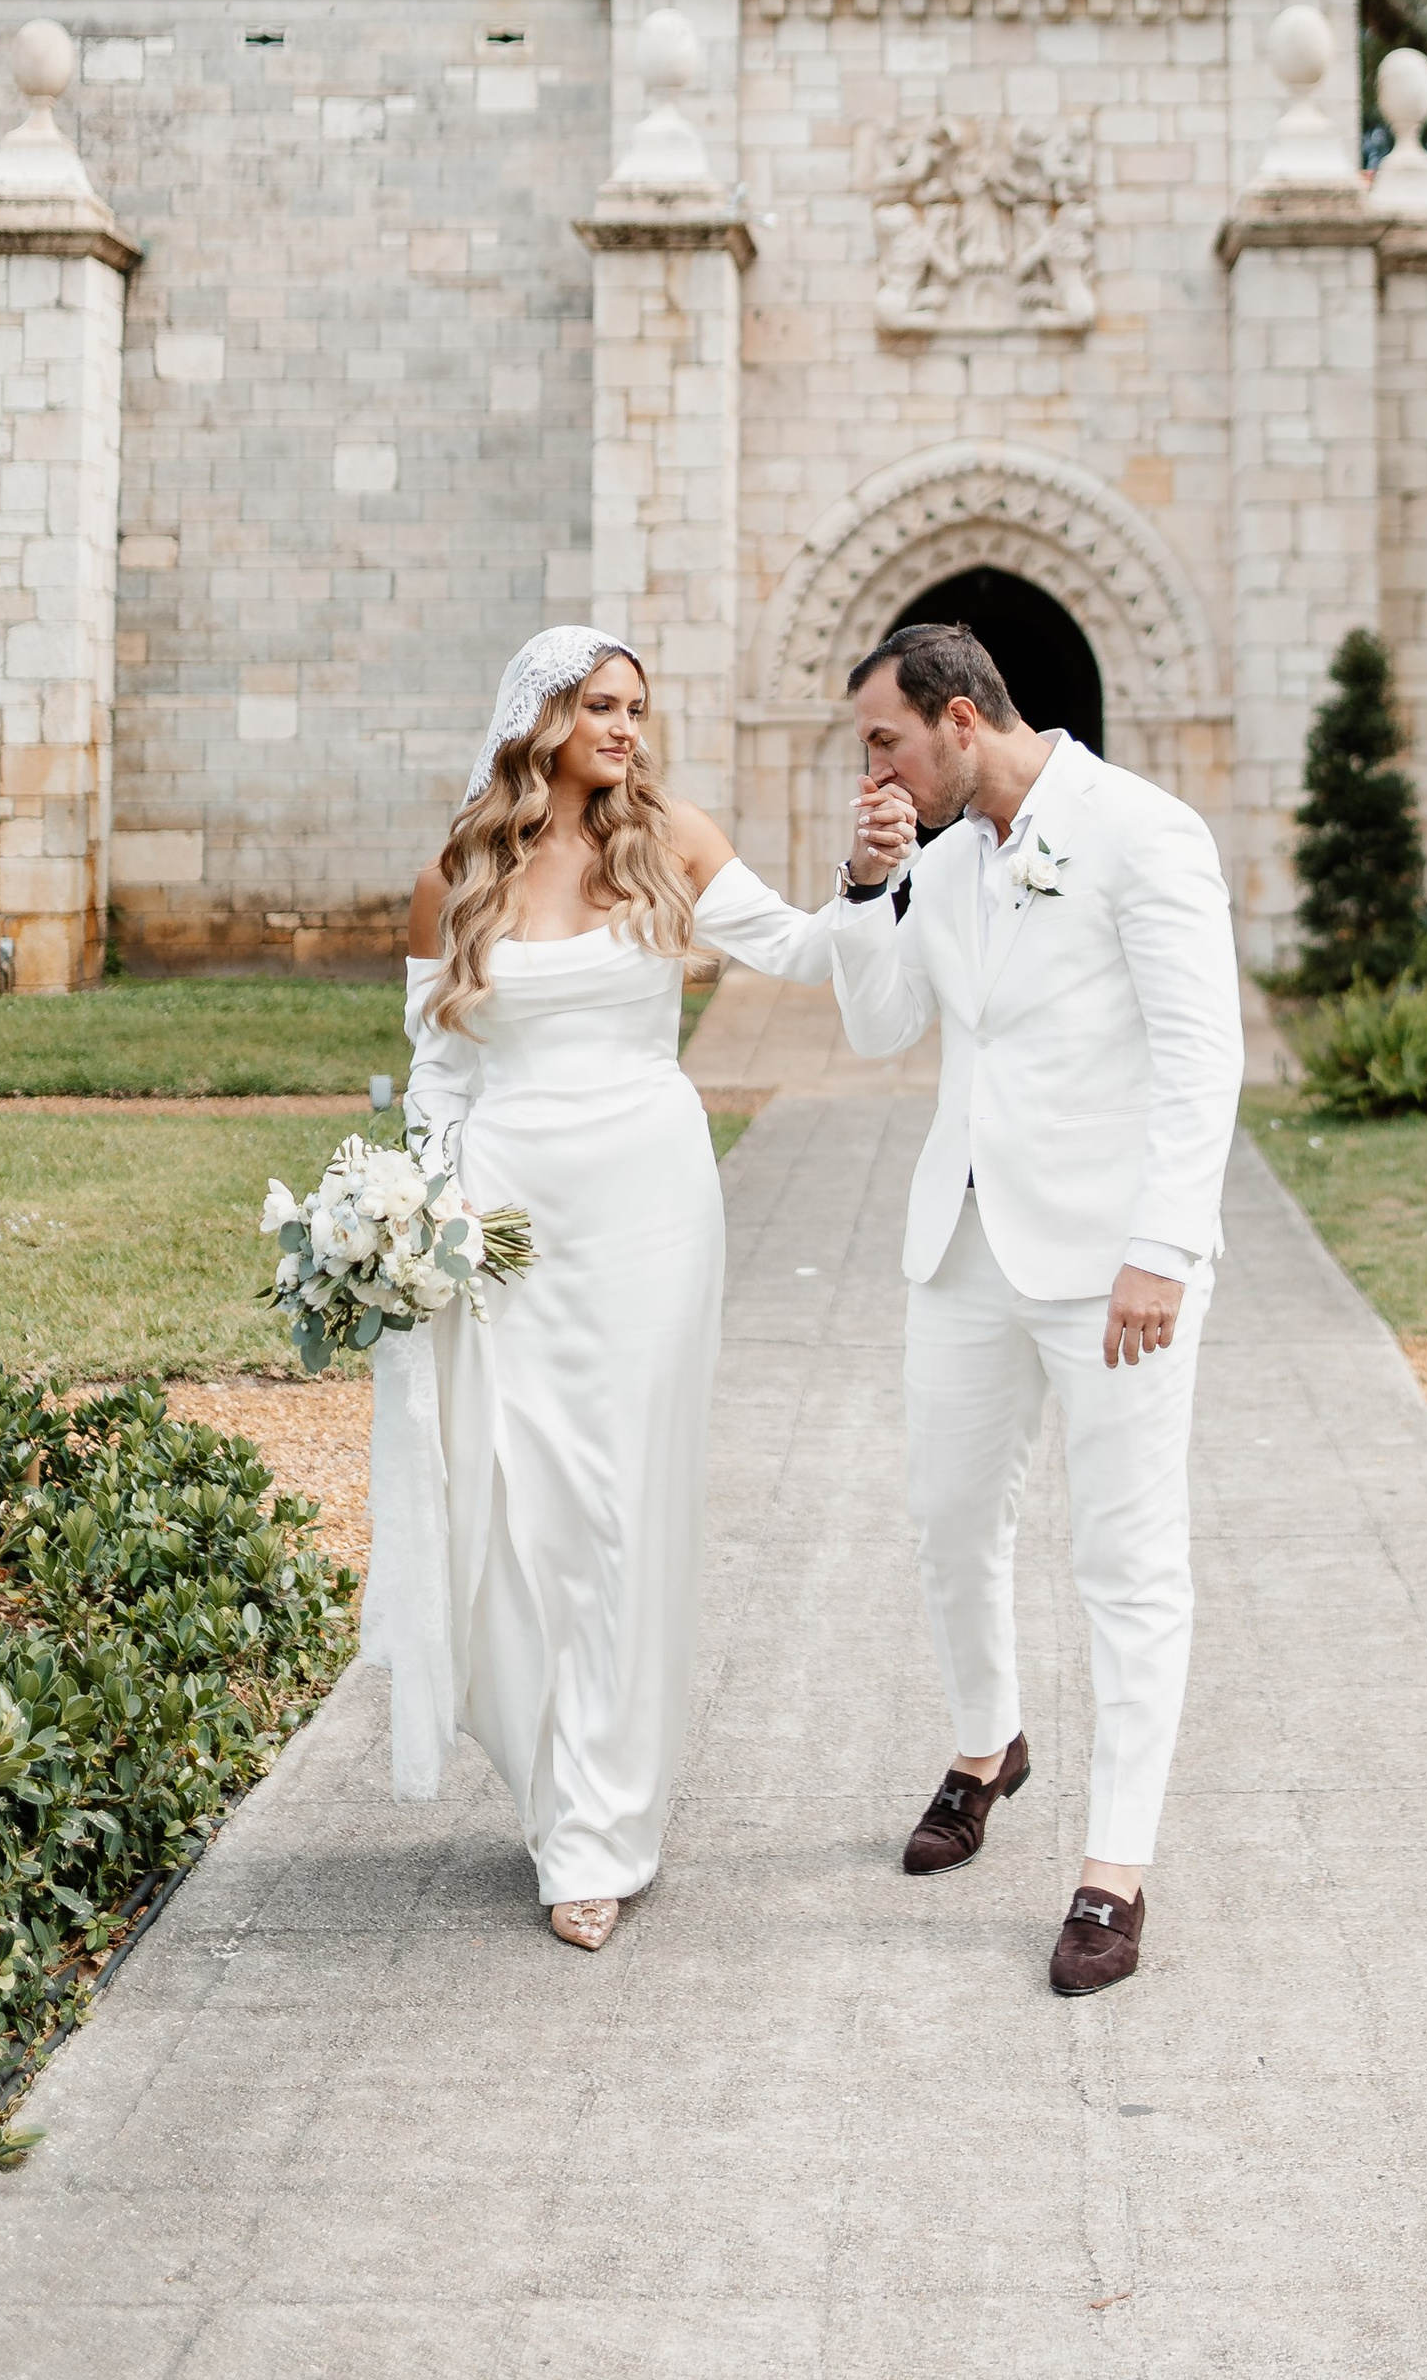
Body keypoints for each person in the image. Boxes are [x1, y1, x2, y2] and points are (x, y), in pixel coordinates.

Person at [368, 625, 830, 1952]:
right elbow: (439, 1077)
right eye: (605, 707)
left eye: (639, 707)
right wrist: (423, 1221)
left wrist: (866, 878)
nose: (628, 729)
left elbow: (798, 949)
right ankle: (553, 1778)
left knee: (622, 1507)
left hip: (648, 1210)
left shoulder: (670, 839)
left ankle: (601, 1831)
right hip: (507, 1222)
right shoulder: (456, 872)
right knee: (522, 1502)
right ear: (545, 716)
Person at [830, 619, 1245, 1994]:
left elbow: (1202, 1053)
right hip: (963, 1244)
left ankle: (1112, 1869)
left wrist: (1165, 1248)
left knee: (1126, 1562)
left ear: (959, 720)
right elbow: (883, 1025)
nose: (874, 769)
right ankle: (985, 1745)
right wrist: (864, 883)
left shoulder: (1143, 830)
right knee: (949, 1512)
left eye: (885, 741)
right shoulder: (941, 865)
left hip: (1114, 1267)